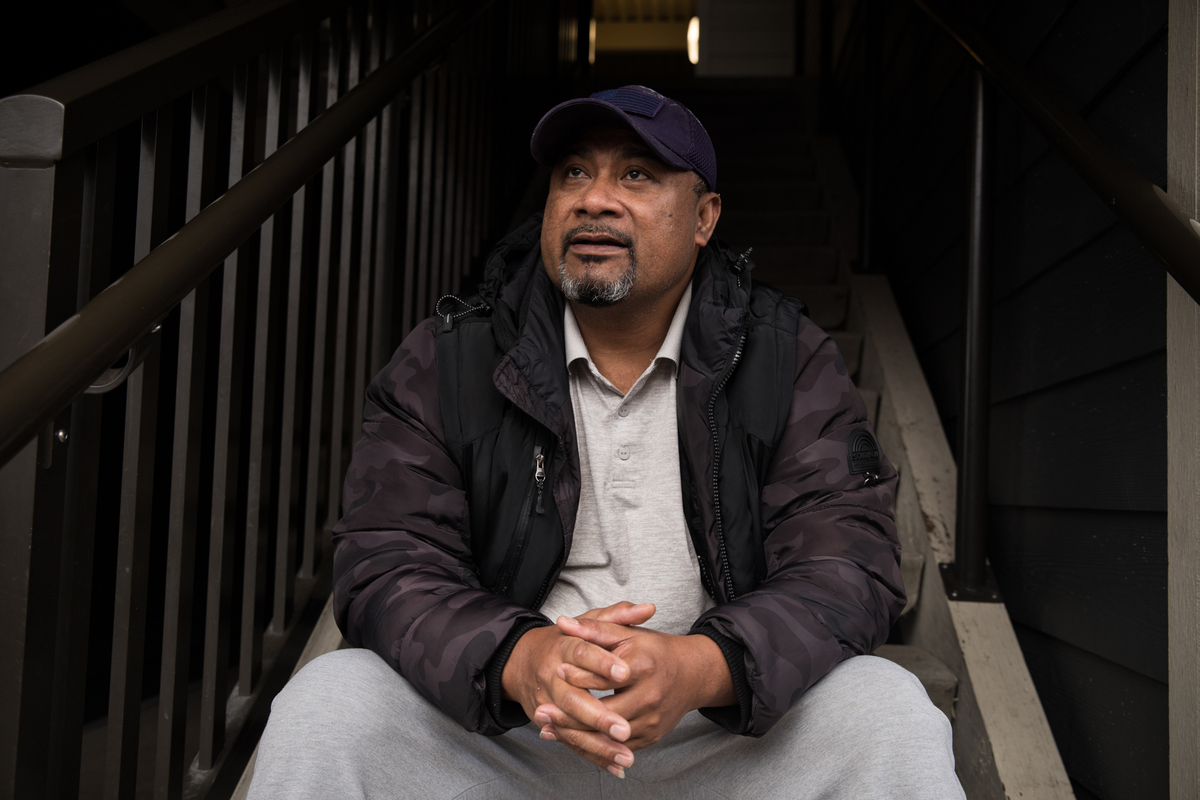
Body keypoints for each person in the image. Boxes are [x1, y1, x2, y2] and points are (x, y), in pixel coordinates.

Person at [248, 85, 965, 799]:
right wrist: (522, 656)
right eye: (573, 174)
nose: (594, 199)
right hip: (507, 735)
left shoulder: (786, 358)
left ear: (704, 217)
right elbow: (385, 557)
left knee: (888, 709)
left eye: (637, 174)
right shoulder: (450, 358)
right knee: (330, 701)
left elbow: (846, 563)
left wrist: (700, 666)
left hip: (714, 738)